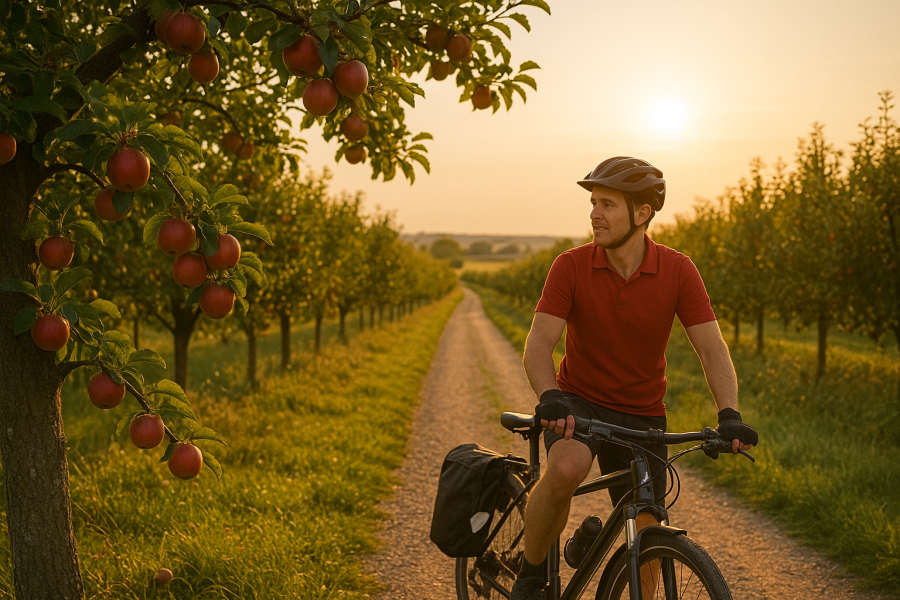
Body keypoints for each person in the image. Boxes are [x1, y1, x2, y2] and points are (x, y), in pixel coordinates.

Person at [511, 157, 759, 600]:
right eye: (593, 203)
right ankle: (530, 578)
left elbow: (711, 348)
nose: (594, 213)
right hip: (578, 402)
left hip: (643, 413)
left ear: (642, 213)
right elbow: (538, 344)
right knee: (568, 467)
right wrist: (551, 395)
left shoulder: (678, 270)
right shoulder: (570, 266)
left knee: (648, 532)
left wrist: (730, 413)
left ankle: (591, 547)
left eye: (607, 204)